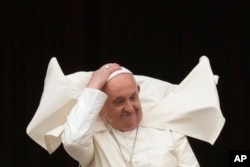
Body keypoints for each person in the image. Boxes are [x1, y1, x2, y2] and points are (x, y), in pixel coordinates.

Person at [26, 56, 225, 167]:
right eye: (119, 101)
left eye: (132, 97)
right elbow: (73, 140)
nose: (130, 108)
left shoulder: (169, 131)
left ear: (139, 92)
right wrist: (94, 85)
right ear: (101, 107)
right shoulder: (93, 140)